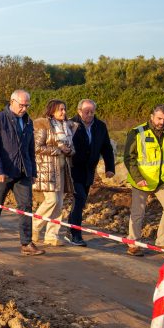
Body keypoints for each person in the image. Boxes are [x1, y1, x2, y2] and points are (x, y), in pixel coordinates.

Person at [0, 90, 45, 255]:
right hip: (3, 172)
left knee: (26, 207)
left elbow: (30, 149)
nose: (24, 109)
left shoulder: (28, 122)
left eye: (27, 105)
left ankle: (26, 243)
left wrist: (32, 171)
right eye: (21, 105)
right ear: (12, 102)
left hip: (23, 172)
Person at [124, 105, 164, 256]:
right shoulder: (137, 132)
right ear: (152, 117)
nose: (162, 122)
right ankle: (133, 243)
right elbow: (129, 158)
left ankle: (163, 242)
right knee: (138, 212)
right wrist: (138, 178)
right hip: (142, 180)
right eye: (159, 118)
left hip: (163, 180)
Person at [66, 99, 116, 246]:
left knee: (81, 201)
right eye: (86, 111)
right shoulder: (70, 125)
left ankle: (70, 229)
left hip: (88, 170)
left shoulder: (100, 126)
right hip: (73, 168)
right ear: (79, 111)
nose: (89, 114)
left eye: (92, 112)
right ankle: (75, 234)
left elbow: (106, 148)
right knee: (79, 198)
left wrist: (110, 168)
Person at [32, 100, 77, 247]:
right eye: (60, 109)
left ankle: (52, 235)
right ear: (52, 111)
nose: (63, 112)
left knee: (59, 203)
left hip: (63, 169)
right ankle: (34, 225)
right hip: (47, 169)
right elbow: (37, 147)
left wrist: (69, 151)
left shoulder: (68, 126)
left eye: (64, 109)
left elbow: (72, 148)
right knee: (52, 200)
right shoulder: (43, 125)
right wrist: (58, 150)